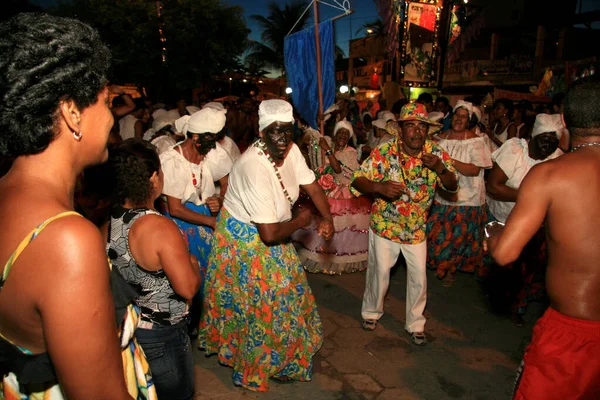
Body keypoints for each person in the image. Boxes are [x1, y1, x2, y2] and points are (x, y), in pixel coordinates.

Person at [0, 13, 155, 399]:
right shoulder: (65, 239)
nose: (111, 117)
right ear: (72, 112)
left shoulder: (8, 194)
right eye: (105, 101)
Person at [199, 99, 334, 391]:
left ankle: (282, 358)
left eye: (288, 131)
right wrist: (302, 220)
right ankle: (254, 365)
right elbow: (269, 234)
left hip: (273, 230)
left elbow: (311, 185)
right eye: (275, 132)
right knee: (258, 306)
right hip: (244, 240)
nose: (283, 139)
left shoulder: (292, 151)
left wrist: (327, 217)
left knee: (289, 295)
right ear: (261, 133)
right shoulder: (253, 167)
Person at [486, 77, 600, 400]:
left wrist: (494, 234)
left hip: (571, 335)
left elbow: (506, 253)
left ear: (563, 120)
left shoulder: (550, 175)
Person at [351, 103, 458, 345]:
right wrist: (378, 187)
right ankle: (371, 312)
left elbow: (452, 186)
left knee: (419, 277)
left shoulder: (435, 154)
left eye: (422, 126)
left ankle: (415, 323)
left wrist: (440, 169)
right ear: (400, 129)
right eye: (411, 126)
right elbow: (358, 180)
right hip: (385, 226)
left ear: (428, 130)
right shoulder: (385, 152)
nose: (417, 132)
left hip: (416, 228)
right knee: (380, 273)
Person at [106, 139, 200, 400]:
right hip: (163, 333)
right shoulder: (158, 227)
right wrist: (192, 264)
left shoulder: (109, 216)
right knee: (177, 394)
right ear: (153, 178)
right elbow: (188, 288)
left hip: (129, 324)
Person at [159, 108, 232, 336]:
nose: (215, 143)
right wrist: (209, 222)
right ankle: (187, 324)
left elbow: (225, 179)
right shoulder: (172, 160)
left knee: (214, 271)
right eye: (211, 138)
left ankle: (209, 323)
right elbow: (175, 208)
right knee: (189, 273)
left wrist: (219, 199)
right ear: (195, 137)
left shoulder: (211, 150)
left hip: (204, 216)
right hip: (180, 222)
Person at [485, 113, 564, 325]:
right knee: (502, 260)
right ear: (533, 136)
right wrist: (534, 197)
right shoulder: (515, 151)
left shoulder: (558, 159)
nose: (548, 146)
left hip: (535, 224)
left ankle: (518, 306)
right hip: (503, 216)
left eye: (553, 142)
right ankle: (496, 296)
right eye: (544, 140)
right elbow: (493, 187)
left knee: (527, 267)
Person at [426, 100, 493, 286]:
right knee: (439, 236)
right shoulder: (440, 139)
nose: (459, 119)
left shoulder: (476, 141)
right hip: (443, 196)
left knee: (458, 239)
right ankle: (443, 266)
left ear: (469, 120)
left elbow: (474, 170)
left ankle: (450, 270)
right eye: (457, 115)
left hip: (467, 199)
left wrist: (447, 160)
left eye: (464, 117)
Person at [293, 121, 372, 274]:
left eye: (346, 134)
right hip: (324, 189)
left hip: (342, 193)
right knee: (320, 223)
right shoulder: (327, 141)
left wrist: (327, 150)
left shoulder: (350, 152)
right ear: (335, 134)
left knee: (340, 227)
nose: (343, 136)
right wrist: (310, 124)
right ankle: (318, 254)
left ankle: (339, 259)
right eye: (340, 132)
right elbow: (307, 139)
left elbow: (337, 169)